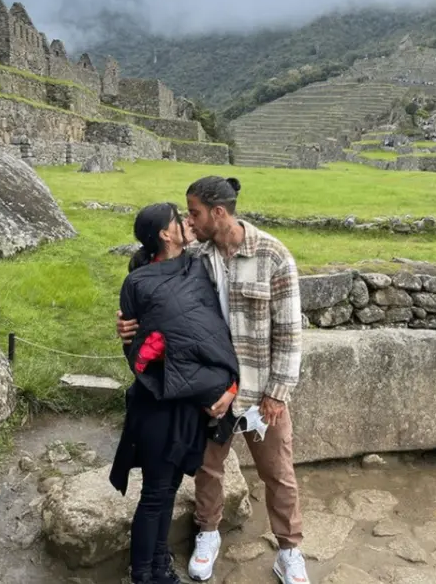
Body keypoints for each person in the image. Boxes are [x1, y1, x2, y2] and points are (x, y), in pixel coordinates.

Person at [117, 176, 307, 584]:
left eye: (195, 213)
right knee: (208, 469)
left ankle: (289, 550)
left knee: (278, 472)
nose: (190, 220)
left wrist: (277, 393)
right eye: (185, 214)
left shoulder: (273, 256)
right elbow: (153, 281)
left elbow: (290, 333)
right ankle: (207, 533)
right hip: (206, 388)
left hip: (258, 391)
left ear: (218, 213)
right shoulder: (197, 255)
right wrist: (130, 325)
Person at [110, 203, 240, 584]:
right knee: (154, 492)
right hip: (158, 400)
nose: (185, 222)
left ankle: (159, 563)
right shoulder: (139, 282)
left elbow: (204, 326)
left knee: (168, 488)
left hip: (190, 401)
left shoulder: (196, 265)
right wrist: (135, 337)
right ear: (165, 235)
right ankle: (144, 573)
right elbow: (135, 347)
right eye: (176, 220)